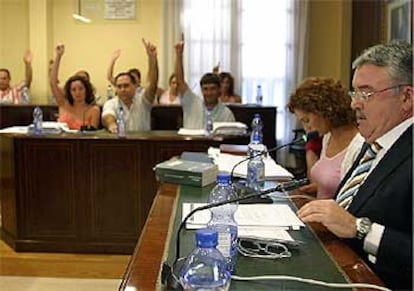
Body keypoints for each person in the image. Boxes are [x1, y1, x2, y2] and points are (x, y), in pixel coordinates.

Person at [297, 41, 413, 290]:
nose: (354, 104)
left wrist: (359, 228)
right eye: (355, 93)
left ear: (406, 97)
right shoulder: (373, 144)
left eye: (366, 93)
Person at [287, 77, 364, 199]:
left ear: (325, 111)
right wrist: (319, 188)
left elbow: (352, 198)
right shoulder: (327, 137)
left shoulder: (359, 145)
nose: (306, 128)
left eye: (307, 120)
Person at [175, 36, 235, 129]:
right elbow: (179, 81)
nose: (209, 93)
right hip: (191, 143)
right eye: (205, 89)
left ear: (219, 90)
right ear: (201, 90)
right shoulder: (192, 103)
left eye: (212, 89)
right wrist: (179, 55)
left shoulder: (227, 114)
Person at [102, 38, 159, 133]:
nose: (123, 89)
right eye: (119, 87)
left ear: (135, 86)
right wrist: (111, 124)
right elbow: (107, 116)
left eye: (126, 86)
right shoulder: (111, 103)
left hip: (143, 143)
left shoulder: (143, 100)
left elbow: (153, 83)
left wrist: (152, 58)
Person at [50, 44, 100, 130]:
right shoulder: (63, 103)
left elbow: (92, 135)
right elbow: (53, 83)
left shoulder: (94, 110)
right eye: (73, 90)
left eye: (81, 89)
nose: (77, 92)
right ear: (69, 92)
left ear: (86, 90)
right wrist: (58, 56)